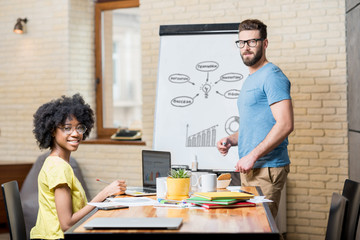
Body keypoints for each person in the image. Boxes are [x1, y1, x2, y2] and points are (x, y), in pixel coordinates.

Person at [217, 19, 294, 218]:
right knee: (249, 227)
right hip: (251, 169)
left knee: (260, 230)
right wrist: (232, 140)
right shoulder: (252, 78)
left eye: (252, 42)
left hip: (266, 168)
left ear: (264, 43)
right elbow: (255, 125)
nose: (246, 48)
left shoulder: (272, 76)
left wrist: (252, 155)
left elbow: (285, 124)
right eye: (242, 43)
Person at [30, 94, 127, 239]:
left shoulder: (58, 162)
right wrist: (104, 194)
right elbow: (67, 224)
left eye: (80, 128)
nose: (75, 134)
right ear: (52, 130)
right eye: (67, 128)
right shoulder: (58, 167)